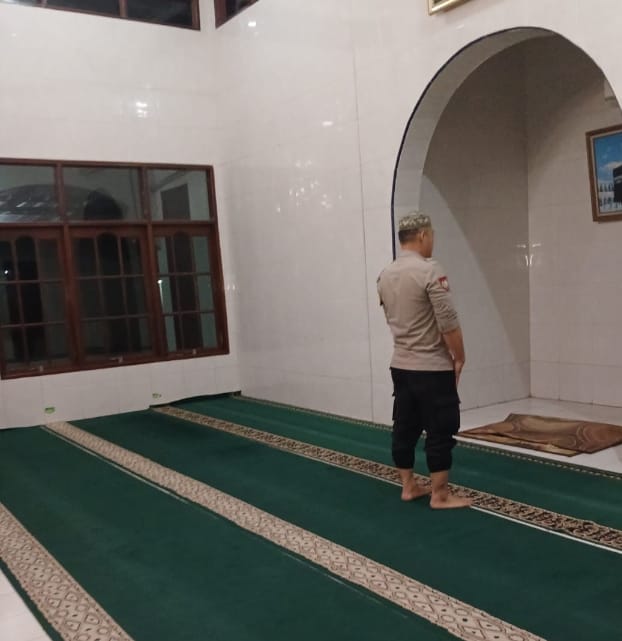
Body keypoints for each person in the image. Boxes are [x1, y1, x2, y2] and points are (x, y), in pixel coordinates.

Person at [377, 212, 471, 509]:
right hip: (432, 367)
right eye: (432, 236)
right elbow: (448, 321)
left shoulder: (385, 274)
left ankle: (408, 486)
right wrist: (459, 357)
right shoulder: (429, 270)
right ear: (422, 236)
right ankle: (440, 495)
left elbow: (391, 318)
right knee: (440, 428)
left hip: (400, 365)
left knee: (404, 425)